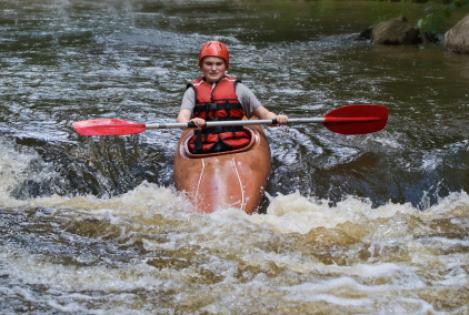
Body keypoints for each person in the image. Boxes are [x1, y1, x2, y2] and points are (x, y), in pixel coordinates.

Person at [177, 40, 288, 154]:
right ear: (201, 66)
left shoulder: (239, 89)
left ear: (226, 66)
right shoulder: (192, 91)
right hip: (203, 146)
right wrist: (191, 121)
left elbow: (263, 113)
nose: (214, 68)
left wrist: (276, 118)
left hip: (237, 143)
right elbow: (182, 117)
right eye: (209, 63)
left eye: (219, 64)